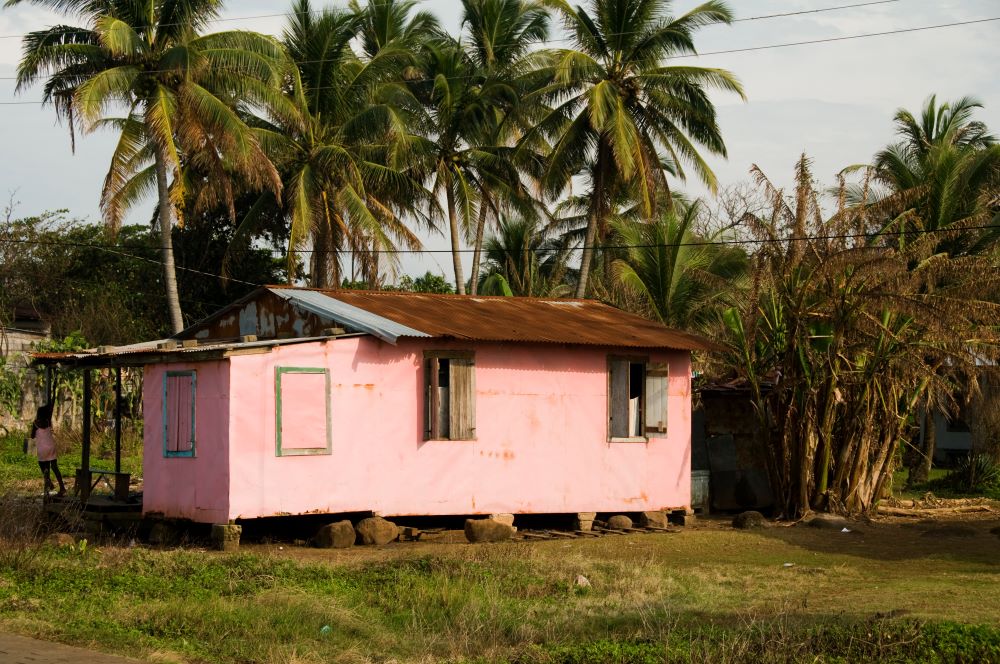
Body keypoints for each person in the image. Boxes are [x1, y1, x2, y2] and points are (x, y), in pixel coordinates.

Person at [31, 403, 65, 497]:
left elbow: (32, 436)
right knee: (55, 467)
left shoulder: (35, 423)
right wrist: (53, 392)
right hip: (51, 447)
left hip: (42, 449)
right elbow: (51, 405)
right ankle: (62, 487)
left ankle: (49, 483)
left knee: (44, 468)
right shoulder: (48, 421)